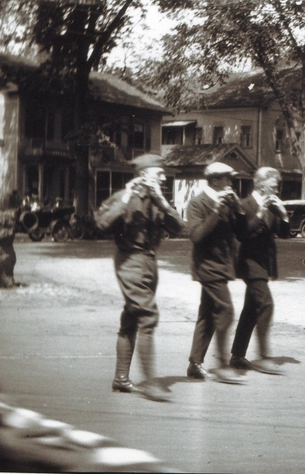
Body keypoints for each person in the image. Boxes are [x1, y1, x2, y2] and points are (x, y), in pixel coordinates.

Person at [95, 154, 183, 402]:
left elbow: (180, 228)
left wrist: (163, 203)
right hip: (130, 260)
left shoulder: (156, 200)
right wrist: (125, 198)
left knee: (132, 316)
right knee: (147, 315)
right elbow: (102, 224)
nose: (164, 177)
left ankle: (121, 379)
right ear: (144, 175)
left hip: (149, 261)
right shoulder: (125, 196)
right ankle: (151, 384)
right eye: (159, 174)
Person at [185, 162, 245, 385]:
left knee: (207, 315)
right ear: (216, 180)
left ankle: (194, 364)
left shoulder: (228, 201)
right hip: (207, 266)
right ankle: (221, 365)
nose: (231, 183)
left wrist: (237, 208)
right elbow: (196, 235)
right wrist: (216, 211)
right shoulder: (198, 202)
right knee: (226, 311)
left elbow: (242, 231)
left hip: (223, 265)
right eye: (228, 179)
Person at [229, 167, 291, 375]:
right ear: (261, 184)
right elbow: (243, 234)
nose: (277, 189)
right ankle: (264, 356)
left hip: (265, 264)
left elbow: (284, 234)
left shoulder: (273, 204)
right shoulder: (244, 204)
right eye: (274, 186)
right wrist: (260, 212)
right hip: (249, 263)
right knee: (266, 305)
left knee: (251, 309)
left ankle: (237, 356)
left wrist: (283, 215)